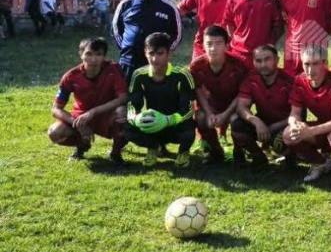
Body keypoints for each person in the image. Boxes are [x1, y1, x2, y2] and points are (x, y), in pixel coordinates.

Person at [282, 44, 331, 186]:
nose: (310, 69)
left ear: (325, 63)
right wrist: (294, 124)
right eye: (306, 64)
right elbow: (294, 113)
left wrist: (311, 131)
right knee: (288, 134)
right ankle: (321, 163)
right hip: (322, 128)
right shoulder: (299, 81)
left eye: (315, 64)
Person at [48, 37, 128, 162]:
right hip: (81, 116)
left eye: (98, 54)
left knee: (122, 113)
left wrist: (93, 112)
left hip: (106, 114)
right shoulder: (71, 76)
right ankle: (82, 145)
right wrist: (76, 123)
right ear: (81, 54)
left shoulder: (113, 69)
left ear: (104, 56)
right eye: (89, 54)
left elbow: (123, 98)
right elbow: (55, 109)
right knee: (55, 132)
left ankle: (116, 154)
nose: (93, 59)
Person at [124, 32, 196, 169]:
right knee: (126, 128)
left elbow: (189, 109)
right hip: (153, 122)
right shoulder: (139, 75)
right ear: (145, 53)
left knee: (189, 128)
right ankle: (153, 148)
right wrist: (136, 118)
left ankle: (183, 152)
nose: (155, 58)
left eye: (160, 53)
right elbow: (132, 104)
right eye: (151, 53)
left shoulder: (182, 75)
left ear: (169, 54)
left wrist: (168, 120)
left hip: (175, 124)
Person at [189, 25, 249, 164]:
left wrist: (226, 114)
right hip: (212, 106)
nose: (213, 48)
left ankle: (239, 151)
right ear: (203, 45)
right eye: (209, 43)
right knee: (200, 117)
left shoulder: (239, 64)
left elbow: (242, 94)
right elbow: (198, 91)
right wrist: (209, 112)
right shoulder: (196, 66)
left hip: (234, 107)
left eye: (218, 43)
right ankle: (215, 151)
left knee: (237, 121)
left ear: (227, 45)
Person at [113, 0, 182, 82]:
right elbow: (116, 31)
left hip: (156, 65)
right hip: (129, 63)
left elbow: (177, 35)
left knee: (154, 94)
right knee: (126, 93)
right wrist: (126, 48)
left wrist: (162, 53)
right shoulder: (125, 4)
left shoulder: (169, 8)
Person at [233, 44, 293, 168]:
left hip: (285, 125)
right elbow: (241, 107)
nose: (263, 64)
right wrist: (256, 121)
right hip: (262, 123)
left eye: (267, 59)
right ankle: (259, 158)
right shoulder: (251, 79)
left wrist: (274, 127)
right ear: (253, 62)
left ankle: (291, 157)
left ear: (277, 60)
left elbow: (299, 115)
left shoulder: (289, 82)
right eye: (258, 61)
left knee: (280, 142)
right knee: (237, 126)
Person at [222, 0, 282, 64]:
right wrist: (237, 41)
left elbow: (278, 26)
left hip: (263, 56)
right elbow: (229, 24)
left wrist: (269, 45)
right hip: (238, 54)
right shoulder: (233, 0)